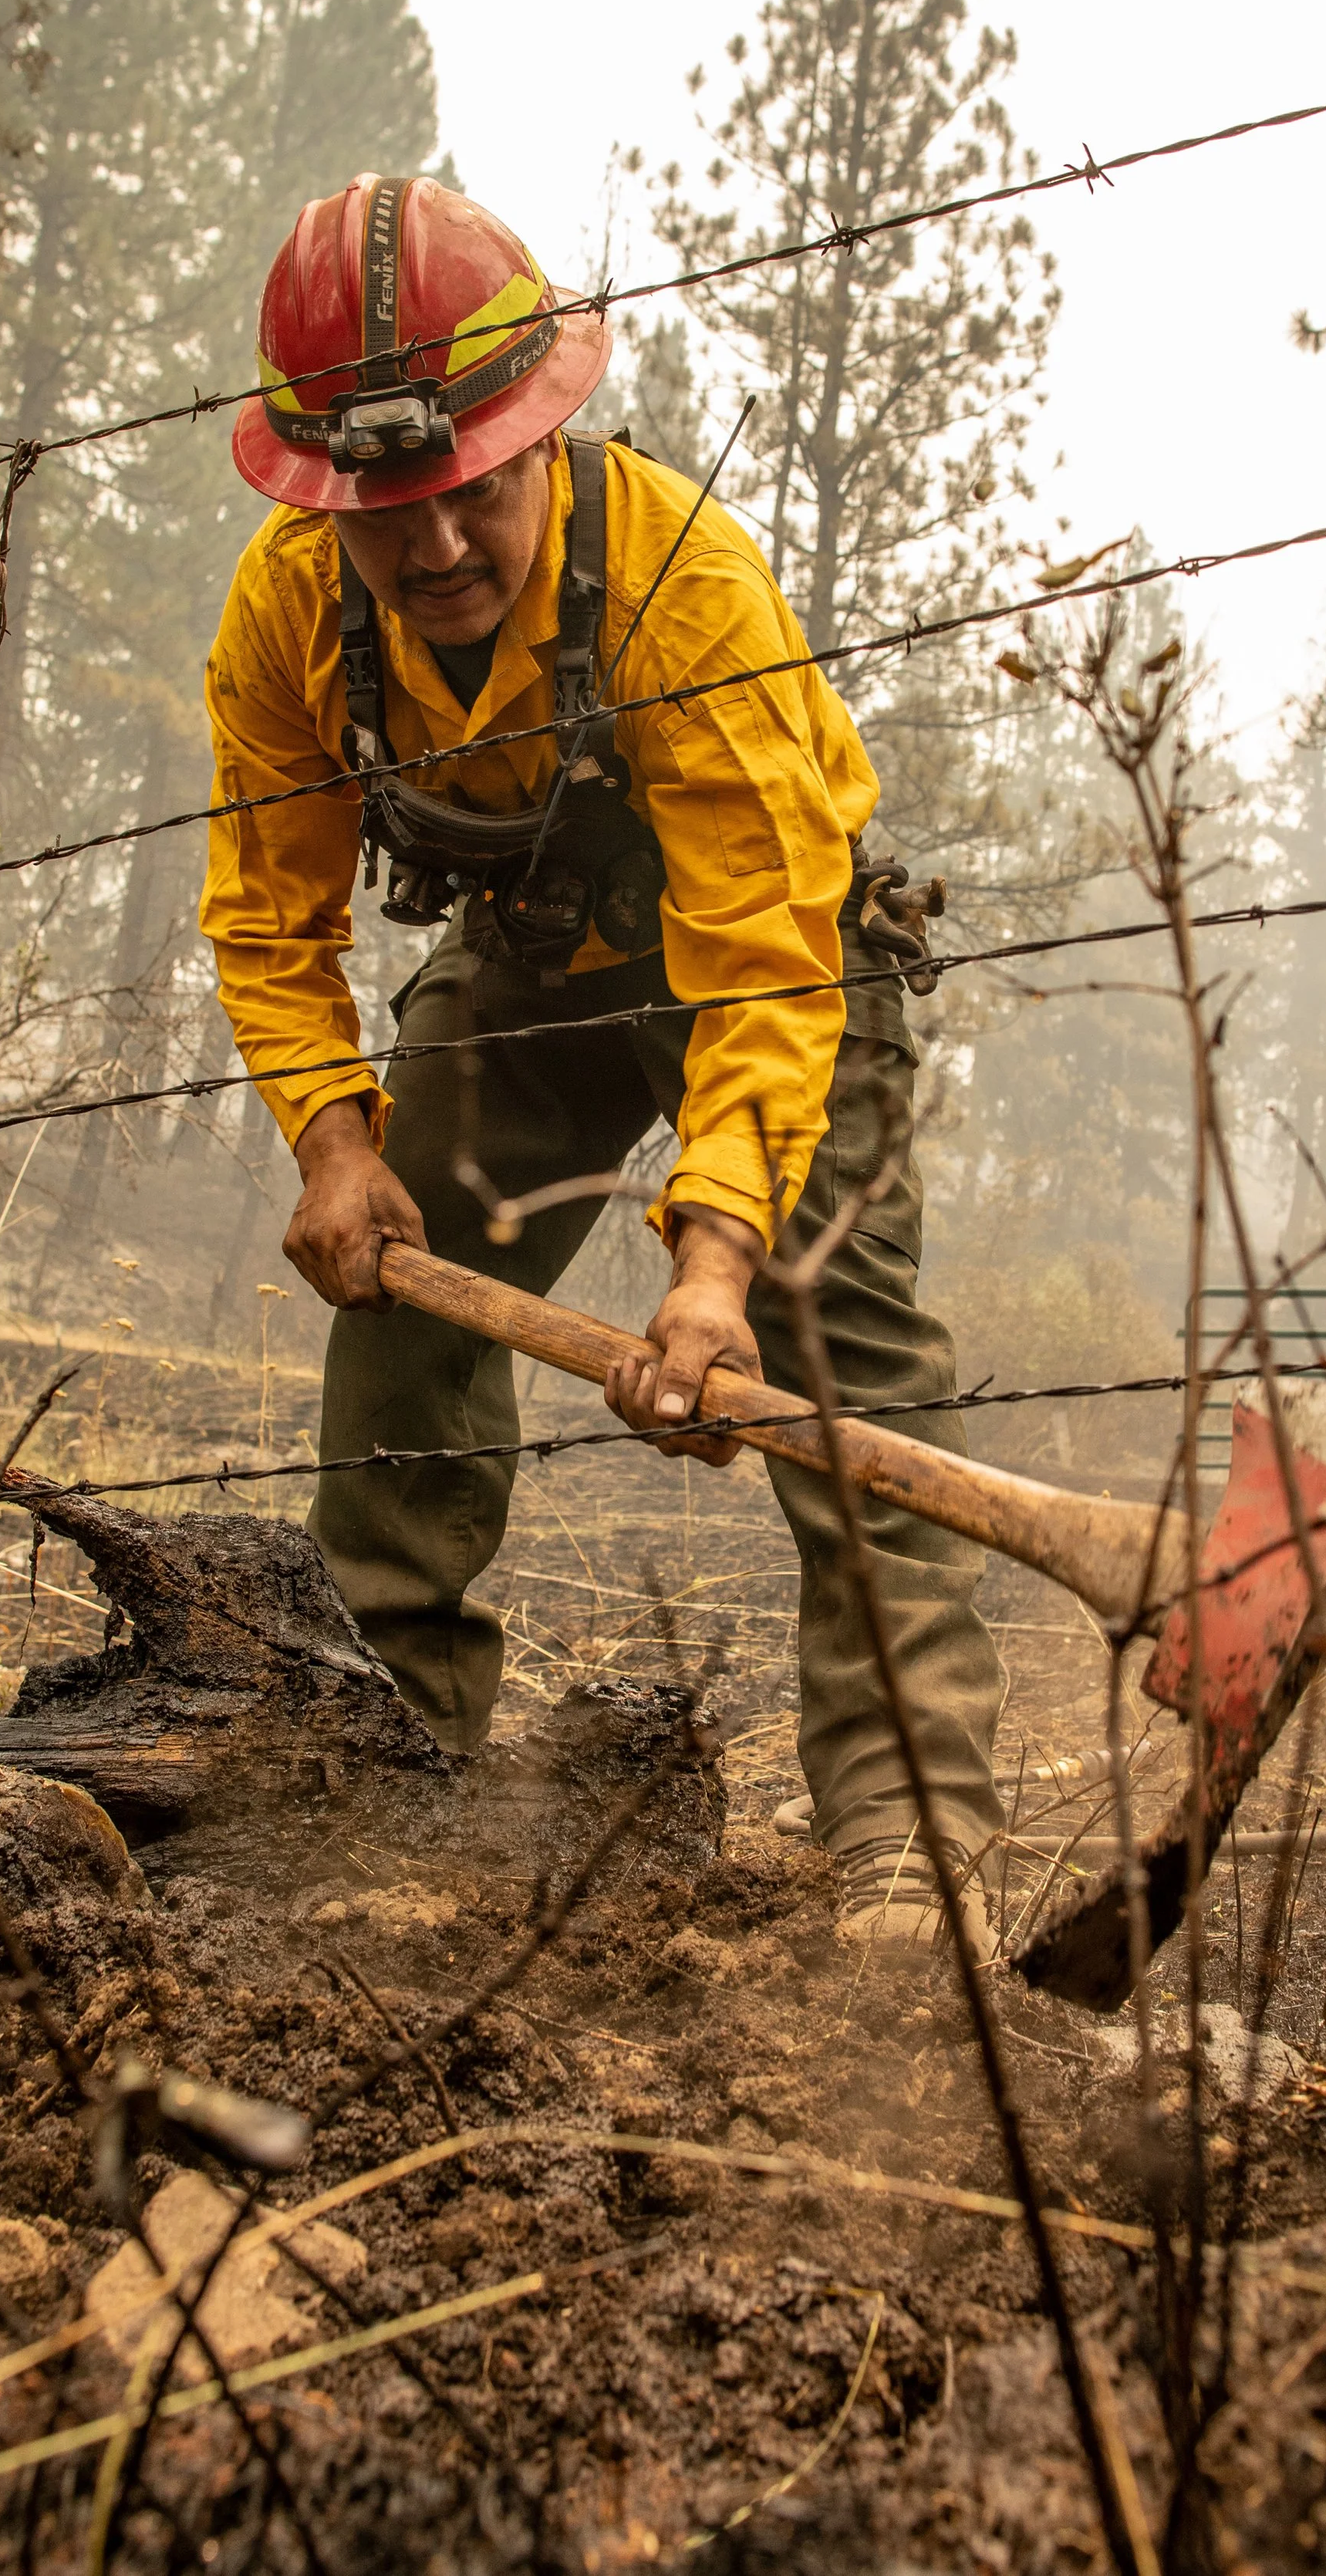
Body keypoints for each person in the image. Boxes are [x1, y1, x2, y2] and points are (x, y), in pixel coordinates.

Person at [201, 171, 1005, 1946]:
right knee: (399, 1306)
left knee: (835, 1340)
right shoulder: (282, 614)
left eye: (467, 495)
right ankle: (385, 1765)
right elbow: (270, 911)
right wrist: (335, 1148)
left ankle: (906, 1844)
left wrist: (713, 1262)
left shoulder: (684, 590)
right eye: (382, 512)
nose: (429, 553)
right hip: (530, 948)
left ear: (540, 437)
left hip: (779, 960)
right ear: (321, 493)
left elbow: (761, 961)